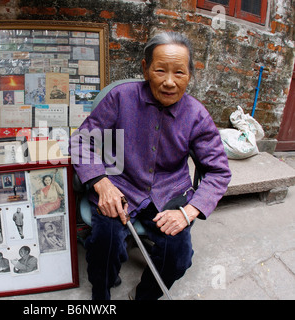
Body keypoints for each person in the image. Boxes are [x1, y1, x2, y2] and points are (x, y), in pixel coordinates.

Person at [69, 32, 231, 300]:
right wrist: (101, 182)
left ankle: (144, 295)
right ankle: (104, 289)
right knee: (104, 245)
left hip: (169, 192)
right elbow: (80, 142)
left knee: (177, 255)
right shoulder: (120, 97)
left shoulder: (197, 115)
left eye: (179, 73)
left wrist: (188, 212)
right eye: (160, 70)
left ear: (190, 74)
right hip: (119, 185)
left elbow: (218, 171)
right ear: (145, 69)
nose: (169, 82)